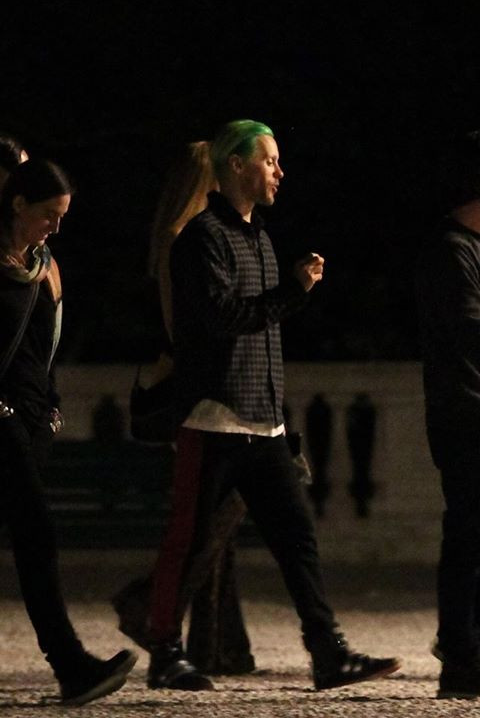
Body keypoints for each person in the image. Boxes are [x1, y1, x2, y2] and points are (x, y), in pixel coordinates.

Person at [146, 119, 400, 692]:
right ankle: (164, 652)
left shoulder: (258, 236)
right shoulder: (202, 238)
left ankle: (328, 651)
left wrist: (279, 414)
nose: (280, 172)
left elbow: (259, 328)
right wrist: (292, 292)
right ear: (236, 165)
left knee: (297, 539)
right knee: (188, 542)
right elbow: (223, 320)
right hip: (212, 419)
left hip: (262, 425)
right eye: (270, 161)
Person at [113, 141, 255, 678]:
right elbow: (184, 331)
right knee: (220, 508)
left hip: (200, 387)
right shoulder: (185, 239)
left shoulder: (192, 236)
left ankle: (222, 644)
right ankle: (151, 604)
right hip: (197, 391)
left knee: (218, 511)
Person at [0, 158, 137, 706]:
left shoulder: (43, 265)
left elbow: (45, 347)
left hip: (33, 418)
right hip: (1, 418)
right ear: (17, 204)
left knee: (31, 537)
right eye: (49, 215)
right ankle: (70, 664)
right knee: (37, 535)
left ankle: (71, 666)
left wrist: (51, 410)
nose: (56, 227)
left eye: (62, 216)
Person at [417, 130, 480, 698]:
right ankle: (460, 657)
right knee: (468, 534)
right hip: (466, 417)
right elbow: (467, 333)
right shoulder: (452, 249)